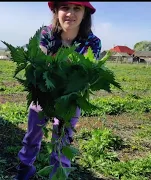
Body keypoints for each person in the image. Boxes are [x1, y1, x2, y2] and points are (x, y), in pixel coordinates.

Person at [15, 1, 101, 179]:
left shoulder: (92, 42)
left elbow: (87, 76)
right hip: (44, 94)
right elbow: (39, 61)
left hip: (71, 98)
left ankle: (58, 174)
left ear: (85, 14)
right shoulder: (46, 34)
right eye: (65, 8)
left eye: (77, 8)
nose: (70, 13)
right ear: (56, 11)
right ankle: (25, 167)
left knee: (63, 139)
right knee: (33, 132)